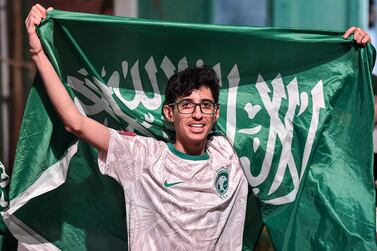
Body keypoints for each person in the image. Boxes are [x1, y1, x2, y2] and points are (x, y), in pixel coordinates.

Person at [25, 4, 371, 250]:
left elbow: (304, 126)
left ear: (216, 112)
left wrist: (348, 53)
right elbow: (76, 123)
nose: (197, 114)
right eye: (186, 105)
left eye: (205, 105)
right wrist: (39, 53)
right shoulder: (142, 156)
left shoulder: (232, 153)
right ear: (169, 113)